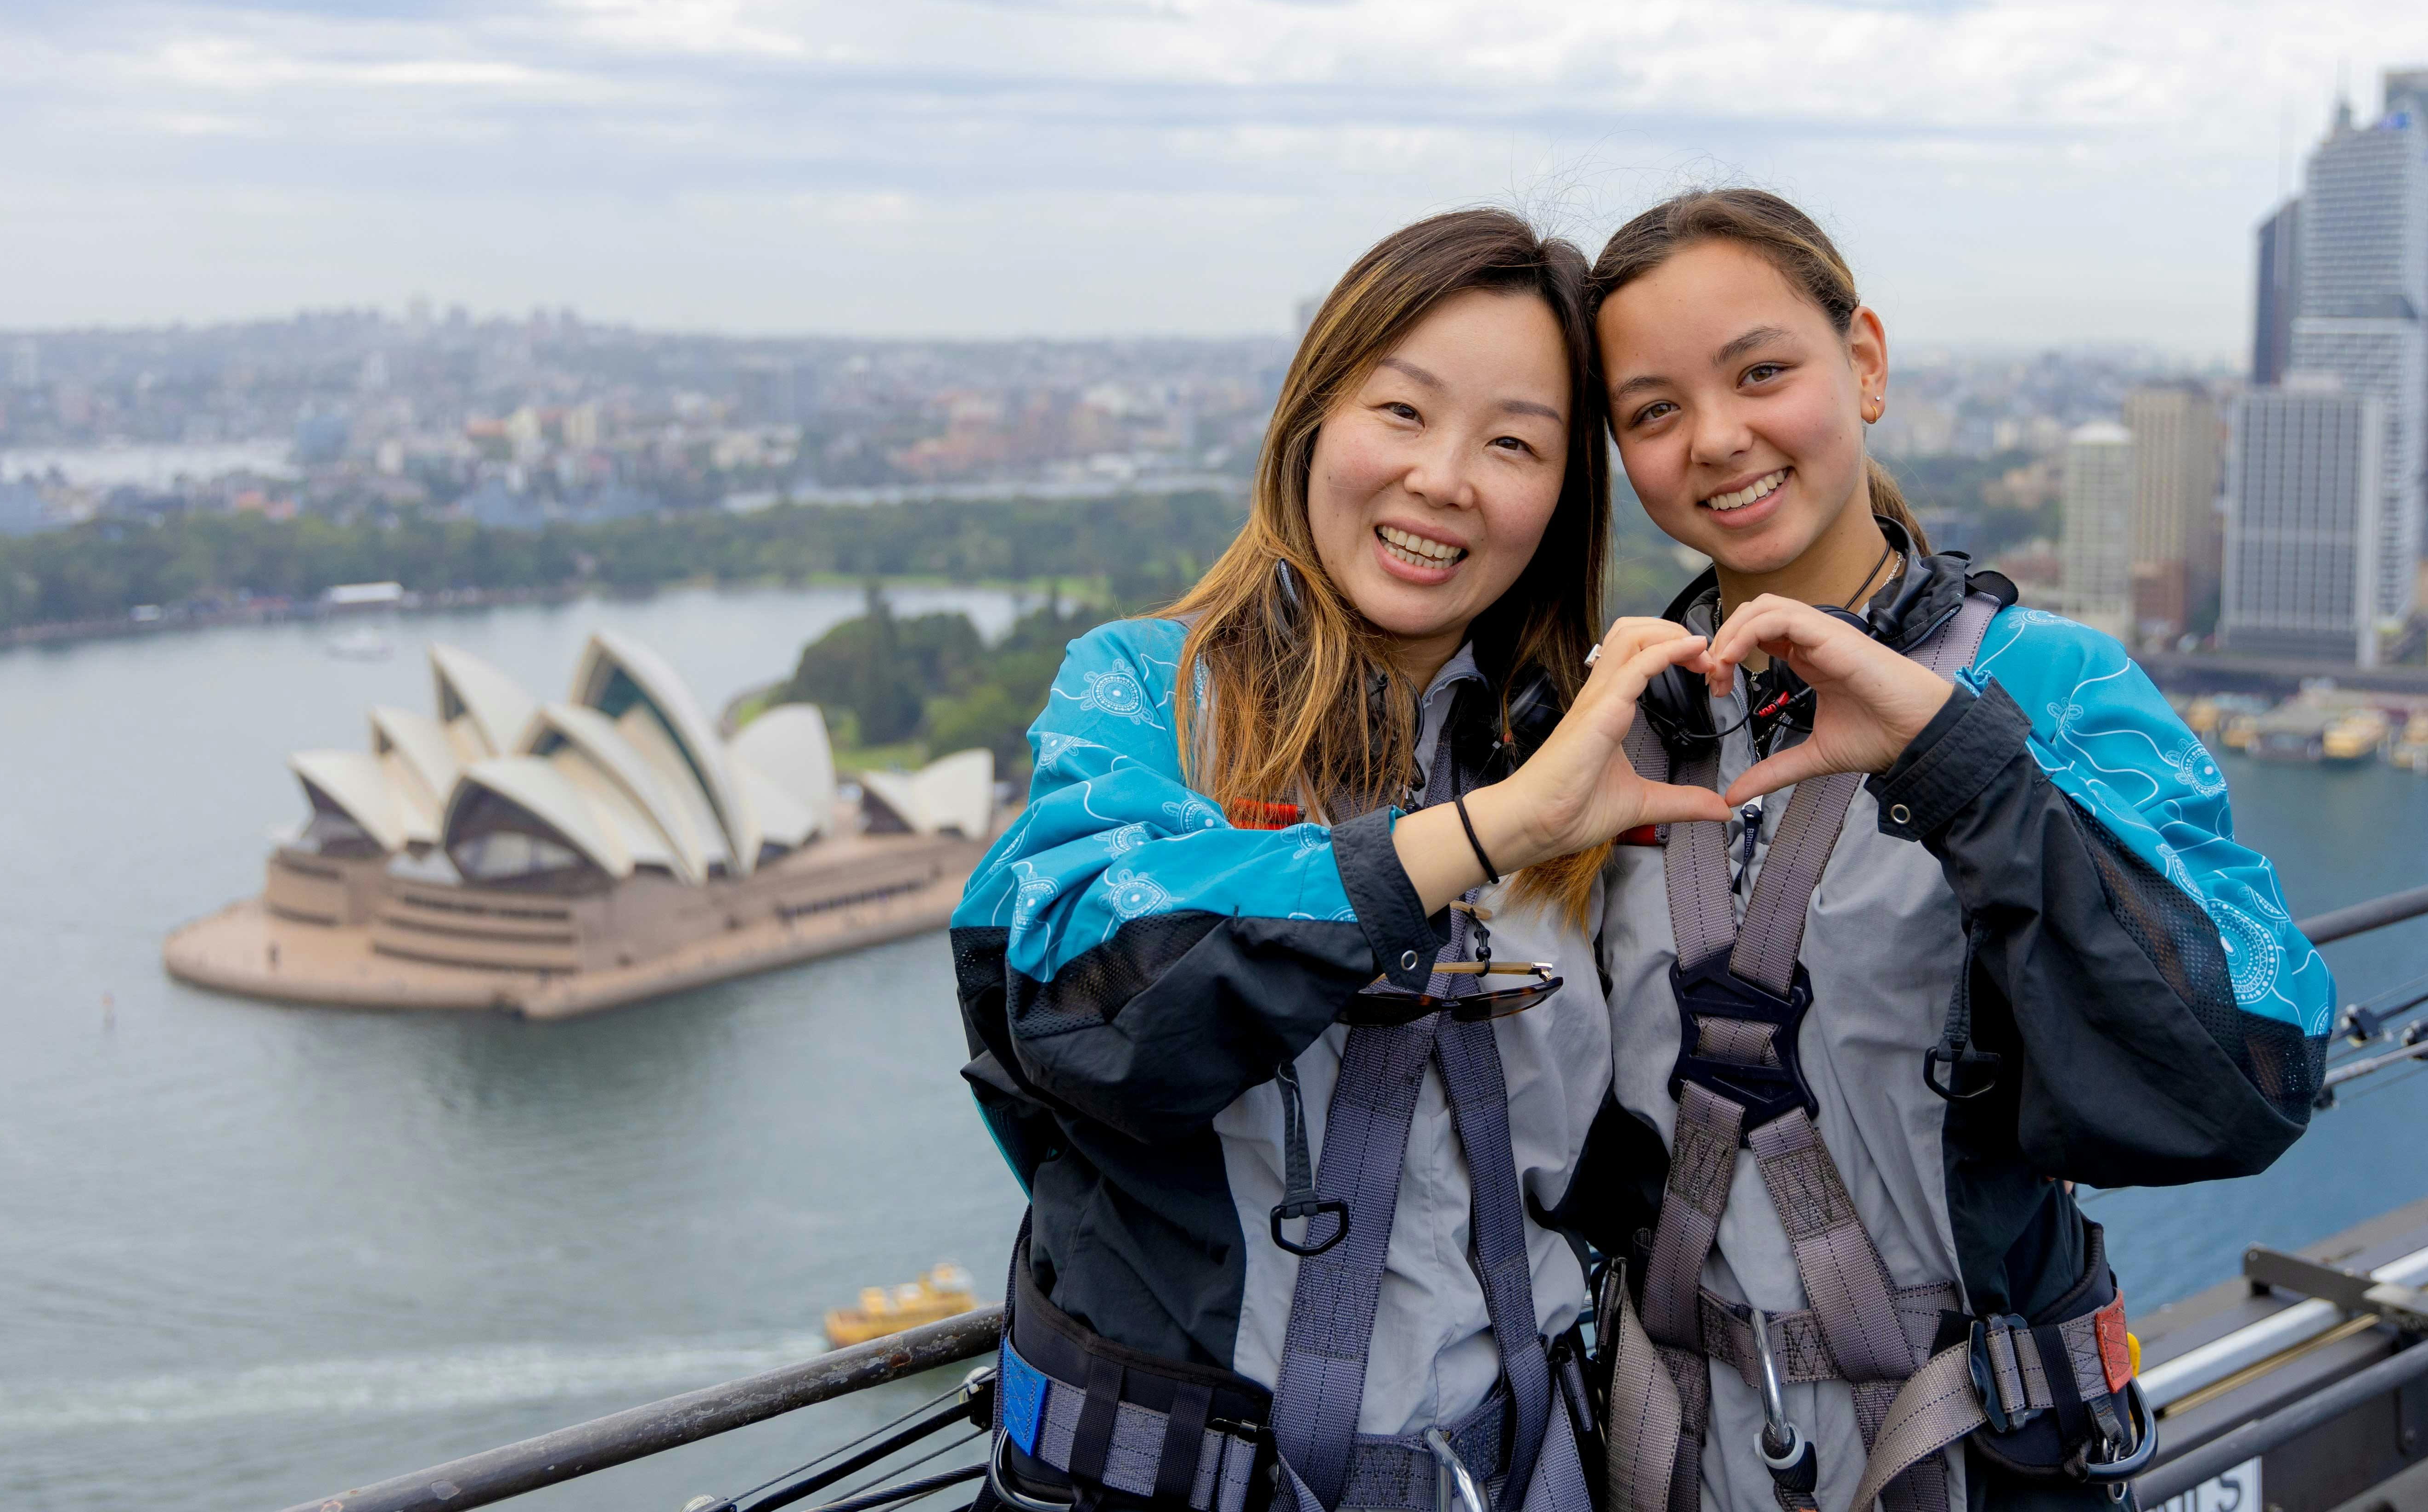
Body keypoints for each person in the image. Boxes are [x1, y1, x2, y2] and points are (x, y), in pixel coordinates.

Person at [952, 208, 1736, 1512]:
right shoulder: (1150, 696)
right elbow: (1088, 1009)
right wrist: (1478, 839)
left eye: (1513, 444)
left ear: (1562, 495)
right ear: (1313, 419)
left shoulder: (1588, 748)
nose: (1444, 479)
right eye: (1403, 412)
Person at [1568, 190, 2333, 1512]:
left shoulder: (2049, 684)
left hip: (1972, 1455)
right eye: (1654, 411)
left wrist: (1958, 763)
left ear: (1862, 363)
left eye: (1763, 373)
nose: (1720, 439)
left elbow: (2244, 1078)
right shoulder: (1620, 722)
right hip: (1668, 1451)